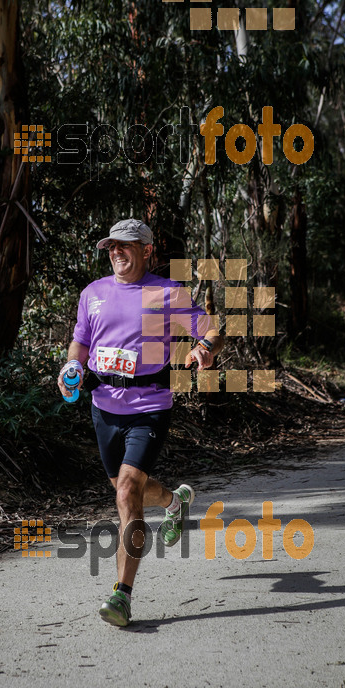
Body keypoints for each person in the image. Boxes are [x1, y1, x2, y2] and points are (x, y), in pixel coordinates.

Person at [57, 219, 224, 627]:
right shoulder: (92, 294)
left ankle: (122, 595)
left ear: (146, 249)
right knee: (124, 488)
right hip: (102, 406)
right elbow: (80, 341)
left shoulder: (167, 293)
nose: (116, 252)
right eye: (111, 246)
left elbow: (213, 330)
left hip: (149, 407)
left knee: (127, 492)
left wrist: (204, 348)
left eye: (125, 245)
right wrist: (71, 366)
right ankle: (174, 501)